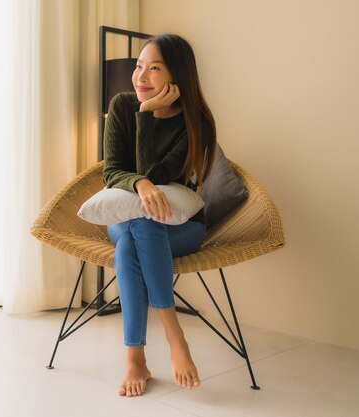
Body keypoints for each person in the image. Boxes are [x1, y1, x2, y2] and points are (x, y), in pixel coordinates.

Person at [103, 33, 216, 397]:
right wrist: (139, 184)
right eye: (139, 66)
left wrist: (148, 117)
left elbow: (160, 172)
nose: (141, 77)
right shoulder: (122, 107)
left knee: (133, 241)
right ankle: (174, 334)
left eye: (154, 68)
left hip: (181, 227)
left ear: (176, 76)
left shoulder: (196, 122)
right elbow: (112, 172)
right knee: (138, 222)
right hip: (128, 220)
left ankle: (137, 358)